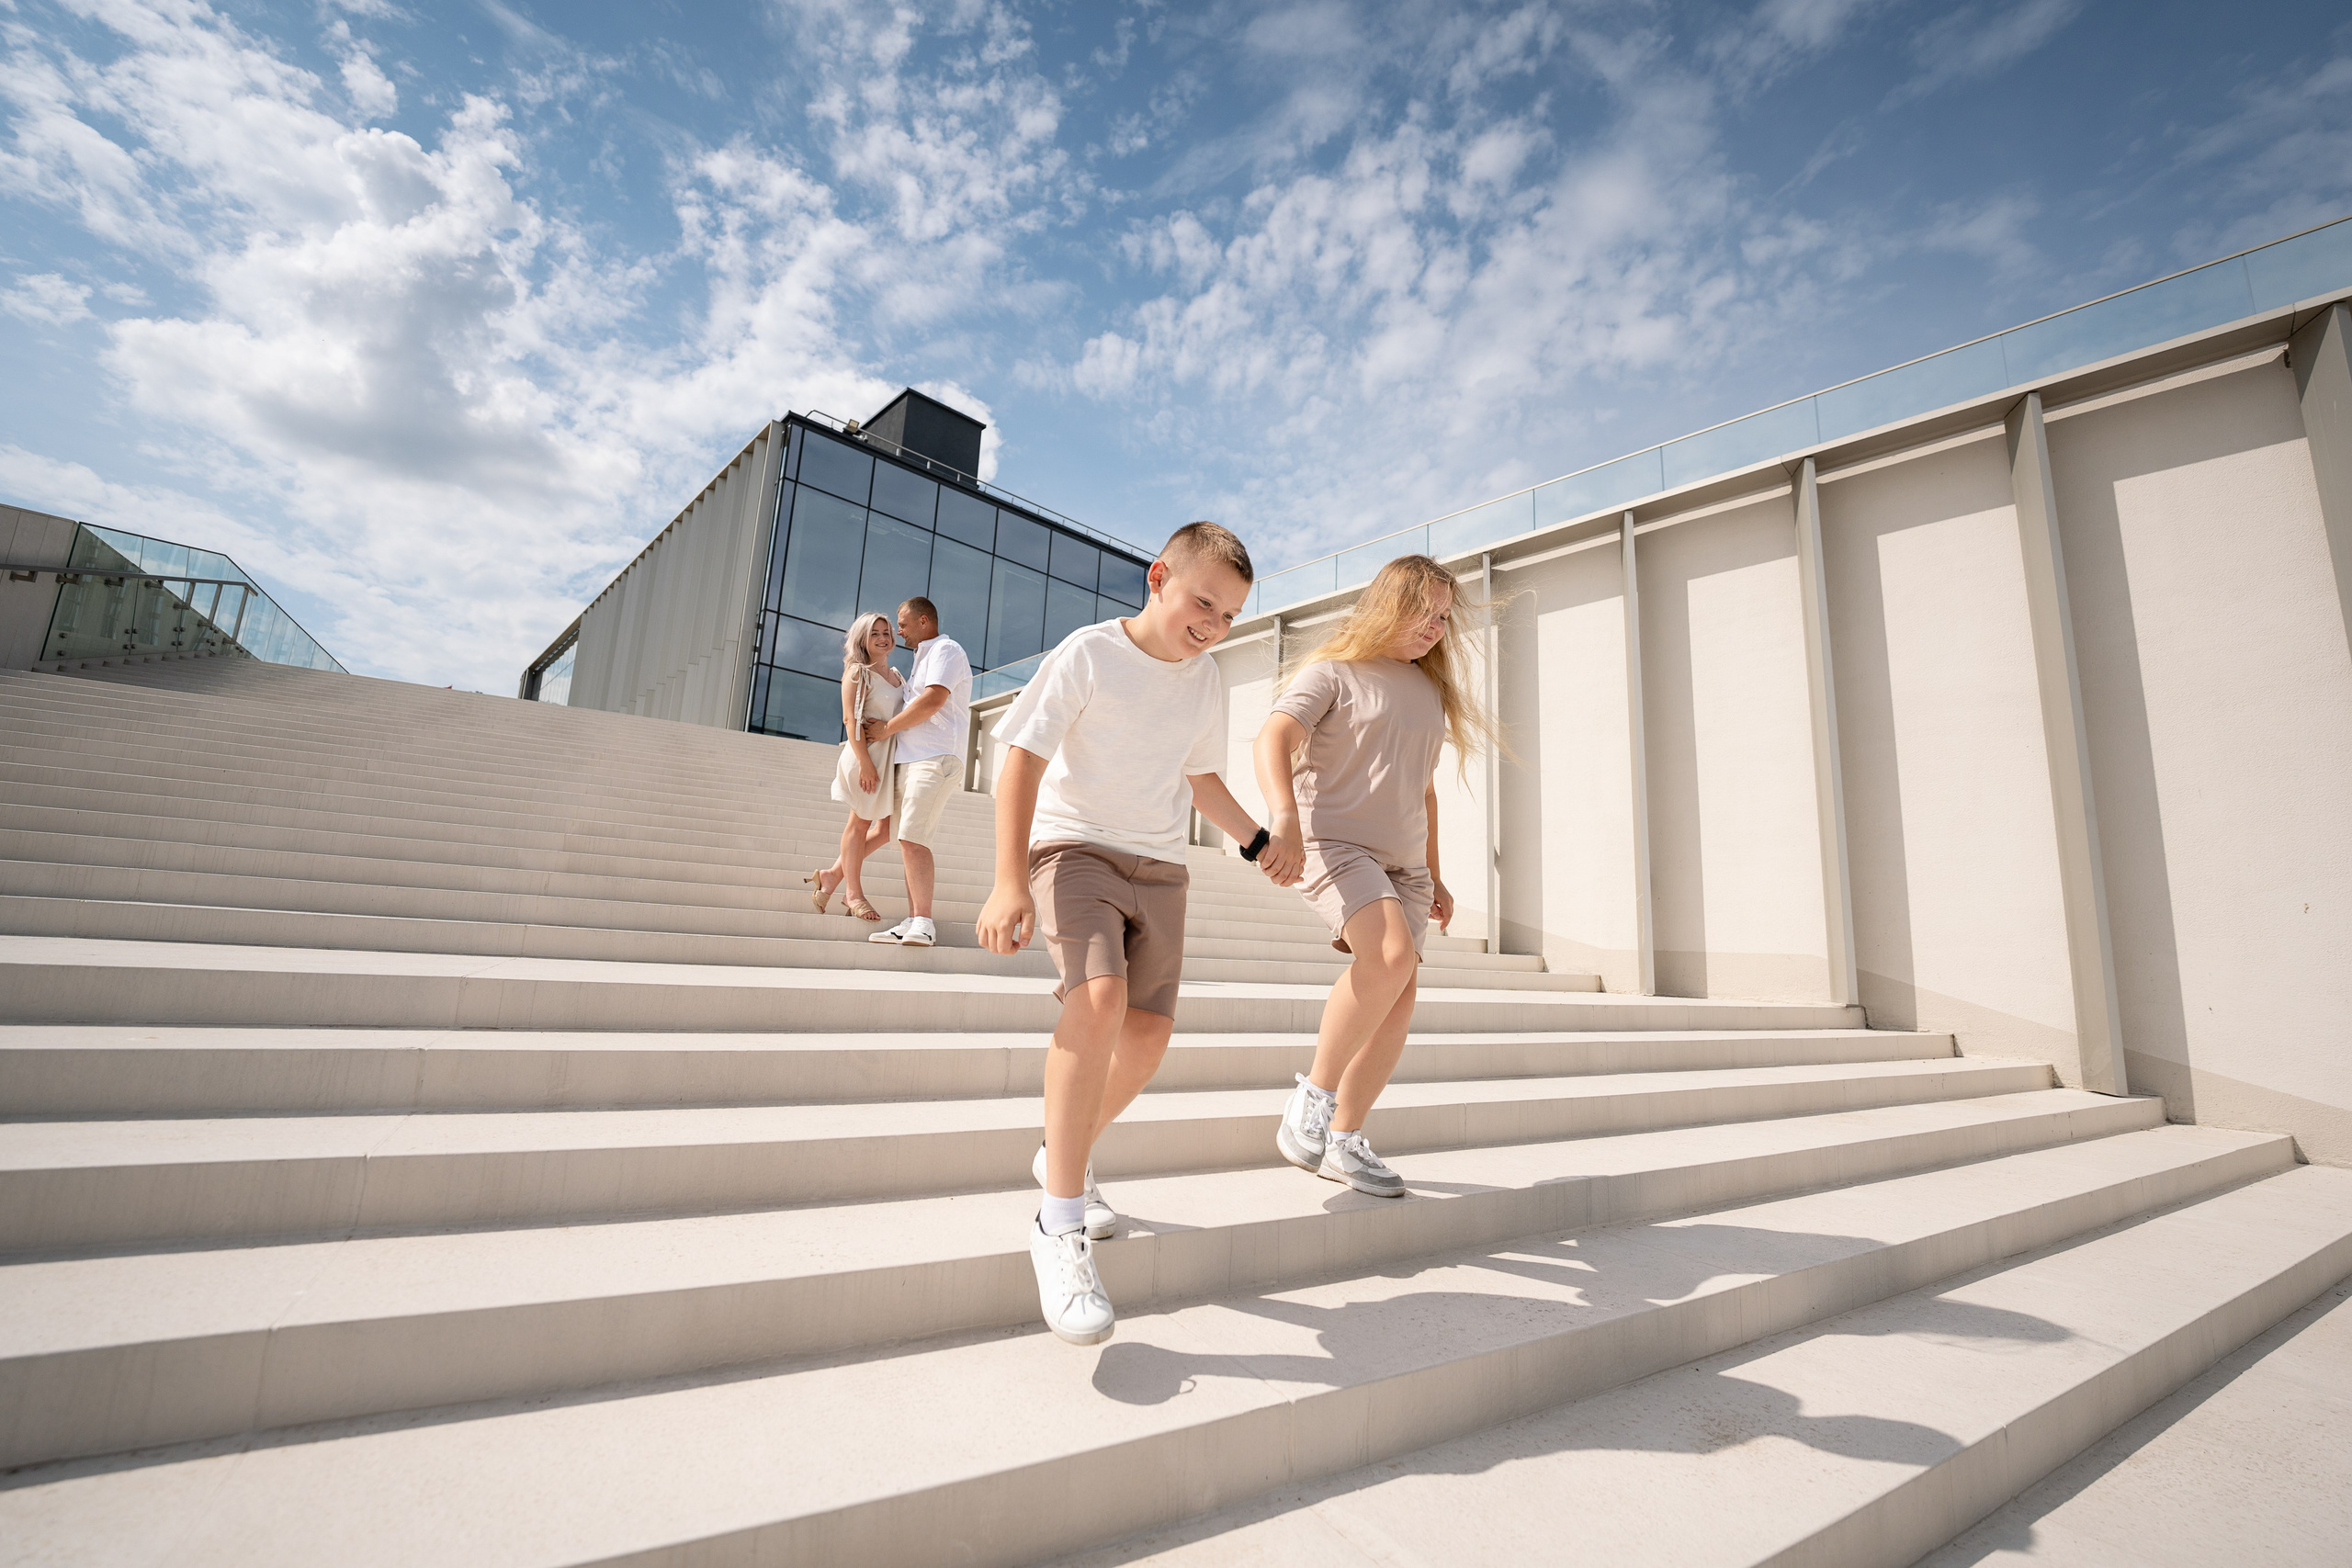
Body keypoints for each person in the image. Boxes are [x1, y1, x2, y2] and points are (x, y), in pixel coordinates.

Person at [977, 522, 1303, 1346]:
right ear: (1160, 577)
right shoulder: (1088, 654)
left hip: (1160, 868)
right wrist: (1009, 877)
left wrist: (1258, 840)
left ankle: (1065, 1149)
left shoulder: (1208, 679)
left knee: (1149, 1037)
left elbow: (1199, 777)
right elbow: (1020, 758)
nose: (1213, 625)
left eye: (1230, 616)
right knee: (1100, 996)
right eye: (1204, 602)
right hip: (1074, 848)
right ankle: (1060, 1222)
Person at [1255, 554, 1498, 1199]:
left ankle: (1344, 1138)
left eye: (1445, 617)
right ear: (1388, 603)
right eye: (1424, 611)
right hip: (1334, 844)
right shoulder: (1333, 673)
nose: (1435, 626)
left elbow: (1424, 791)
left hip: (1406, 866)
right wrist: (1283, 818)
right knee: (1387, 955)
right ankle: (1313, 1096)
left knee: (1400, 995)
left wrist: (1437, 877)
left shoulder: (1428, 692)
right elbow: (1272, 737)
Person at [859, 596, 972, 950]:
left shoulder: (946, 650)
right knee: (903, 835)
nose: (899, 632)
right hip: (911, 759)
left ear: (924, 622)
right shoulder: (923, 658)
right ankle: (912, 918)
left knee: (912, 836)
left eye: (903, 625)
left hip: (935, 757)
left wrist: (887, 728)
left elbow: (933, 699)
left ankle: (923, 922)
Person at [806, 612, 904, 923]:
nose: (882, 638)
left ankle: (832, 876)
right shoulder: (857, 673)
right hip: (866, 758)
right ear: (862, 639)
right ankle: (853, 893)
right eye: (874, 633)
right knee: (859, 825)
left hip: (888, 760)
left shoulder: (898, 675)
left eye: (886, 632)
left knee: (885, 830)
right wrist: (865, 764)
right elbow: (850, 719)